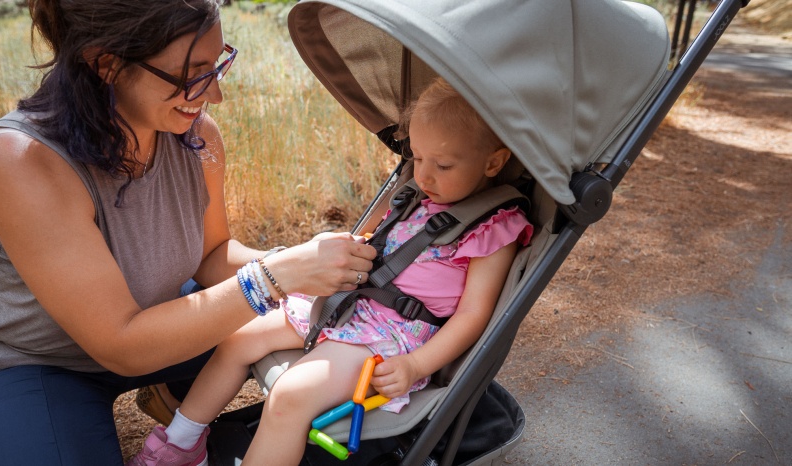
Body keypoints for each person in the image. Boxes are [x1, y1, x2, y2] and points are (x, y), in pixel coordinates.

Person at [0, 1, 377, 465]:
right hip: (37, 362)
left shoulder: (195, 135)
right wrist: (275, 276)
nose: (215, 93)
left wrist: (299, 263)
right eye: (192, 75)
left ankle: (173, 392)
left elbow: (212, 254)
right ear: (106, 64)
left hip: (163, 327)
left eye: (217, 65)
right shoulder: (21, 161)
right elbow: (121, 344)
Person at [131, 77, 534, 465]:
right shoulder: (418, 194)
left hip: (390, 338)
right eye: (418, 157)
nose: (424, 175)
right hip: (350, 302)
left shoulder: (493, 228)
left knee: (289, 397)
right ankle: (180, 443)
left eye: (442, 165)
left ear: (493, 162)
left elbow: (473, 316)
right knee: (239, 335)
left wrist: (417, 365)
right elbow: (379, 241)